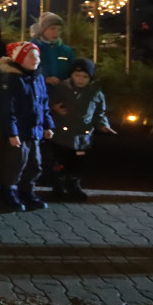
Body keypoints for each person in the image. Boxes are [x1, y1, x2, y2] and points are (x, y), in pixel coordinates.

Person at [0, 42, 55, 212]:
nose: (35, 60)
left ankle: (27, 191)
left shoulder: (37, 78)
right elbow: (8, 109)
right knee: (16, 163)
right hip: (19, 132)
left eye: (37, 56)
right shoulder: (11, 80)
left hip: (34, 131)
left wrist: (47, 124)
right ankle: (8, 192)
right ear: (20, 59)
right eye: (31, 56)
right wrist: (12, 132)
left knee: (34, 164)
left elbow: (43, 103)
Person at [48, 58, 116, 200]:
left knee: (77, 163)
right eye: (77, 76)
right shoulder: (62, 88)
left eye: (85, 77)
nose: (80, 80)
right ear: (71, 75)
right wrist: (53, 108)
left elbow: (99, 112)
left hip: (83, 136)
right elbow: (49, 103)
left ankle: (74, 185)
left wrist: (103, 124)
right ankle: (58, 186)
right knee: (61, 161)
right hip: (62, 134)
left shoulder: (95, 92)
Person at [29, 12, 75, 86]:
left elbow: (73, 72)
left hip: (61, 93)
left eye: (59, 29)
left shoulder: (67, 51)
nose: (56, 32)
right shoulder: (31, 50)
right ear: (43, 30)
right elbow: (25, 72)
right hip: (38, 91)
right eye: (52, 29)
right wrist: (44, 79)